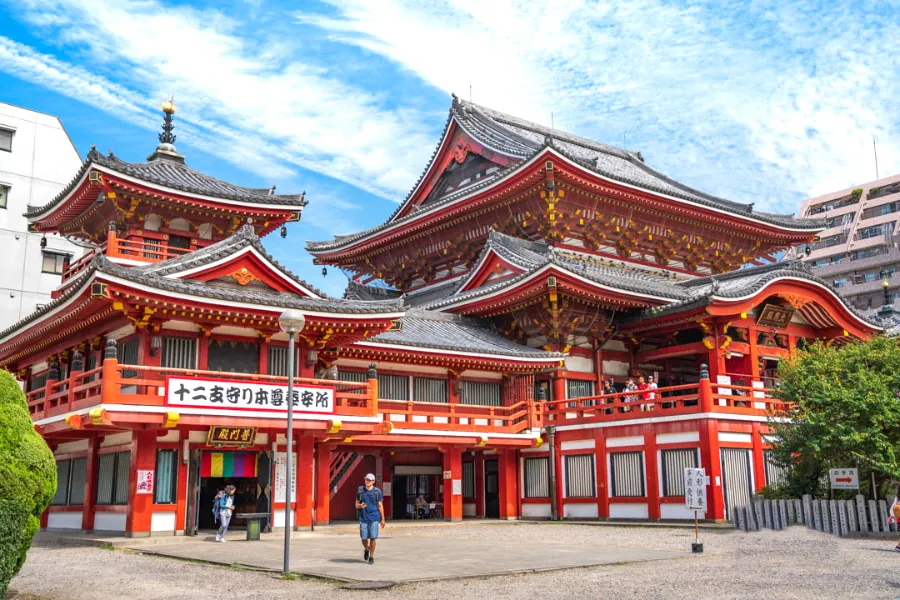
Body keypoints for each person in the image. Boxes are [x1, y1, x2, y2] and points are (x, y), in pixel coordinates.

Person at [355, 473, 385, 564]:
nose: (367, 481)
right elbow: (356, 505)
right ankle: (366, 548)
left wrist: (382, 519)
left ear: (373, 481)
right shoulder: (360, 491)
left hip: (374, 517)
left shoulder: (377, 492)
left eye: (369, 480)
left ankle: (371, 556)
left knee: (373, 537)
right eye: (366, 480)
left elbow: (380, 506)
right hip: (363, 517)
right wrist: (360, 505)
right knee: (364, 538)